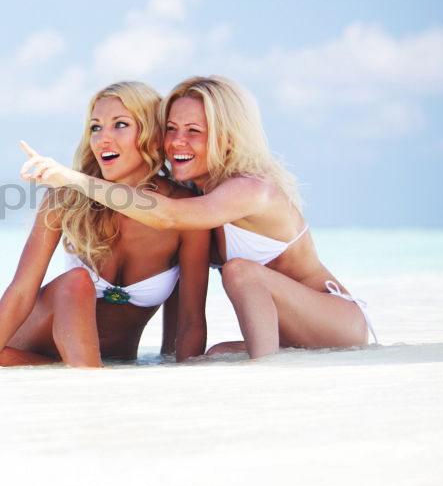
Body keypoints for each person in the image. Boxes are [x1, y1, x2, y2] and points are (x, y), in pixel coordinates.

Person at [19, 75, 377, 359]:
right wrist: (171, 362)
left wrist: (73, 179)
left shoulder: (251, 188)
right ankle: (268, 364)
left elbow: (169, 216)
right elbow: (180, 299)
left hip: (336, 323)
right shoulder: (198, 196)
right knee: (214, 357)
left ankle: (266, 376)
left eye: (194, 132)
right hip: (290, 333)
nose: (177, 142)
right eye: (171, 129)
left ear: (227, 138)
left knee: (241, 273)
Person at [0, 81, 209, 372]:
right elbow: (22, 290)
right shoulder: (66, 195)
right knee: (76, 282)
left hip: (99, 363)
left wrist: (181, 386)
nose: (102, 139)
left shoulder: (184, 212)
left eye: (120, 125)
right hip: (47, 347)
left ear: (153, 135)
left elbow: (190, 321)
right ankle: (87, 382)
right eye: (96, 128)